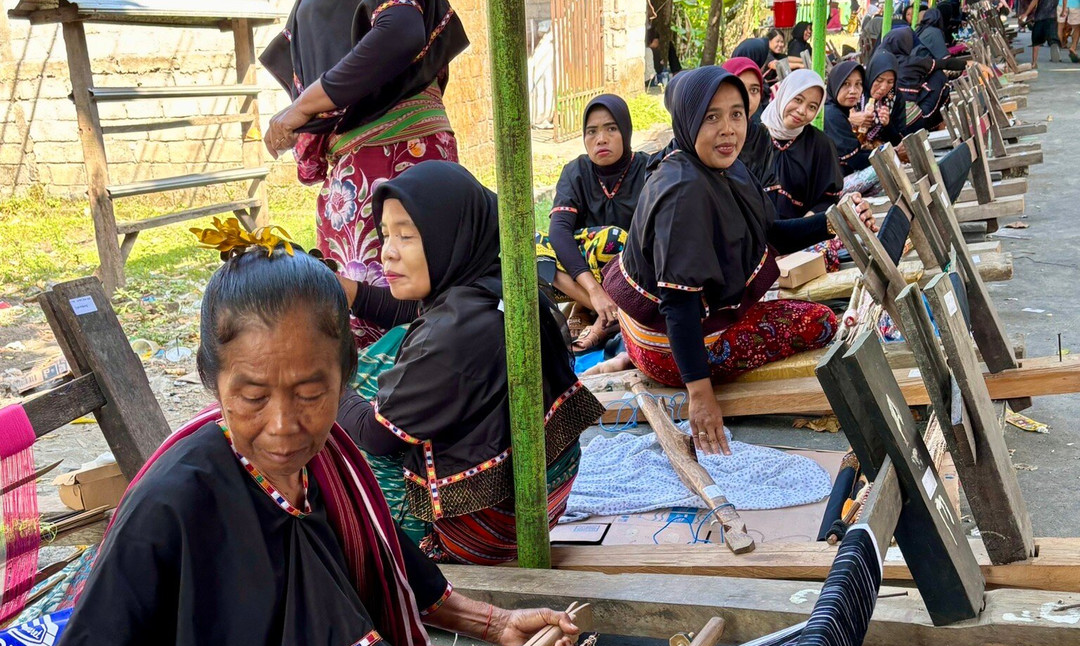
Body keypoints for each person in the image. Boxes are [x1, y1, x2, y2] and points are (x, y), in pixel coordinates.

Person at [27, 241, 581, 646]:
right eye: (252, 396)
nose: (283, 425)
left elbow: (387, 560)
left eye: (311, 393)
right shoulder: (174, 503)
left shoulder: (333, 461)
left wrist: (497, 622)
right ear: (211, 379)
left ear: (346, 377)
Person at [336, 161, 606, 565]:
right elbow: (413, 309)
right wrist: (351, 292)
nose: (388, 251)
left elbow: (377, 437)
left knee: (359, 402)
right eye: (386, 234)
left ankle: (402, 544)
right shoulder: (496, 282)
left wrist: (329, 386)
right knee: (396, 350)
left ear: (448, 234)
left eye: (406, 235)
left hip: (487, 528)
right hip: (540, 501)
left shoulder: (451, 335)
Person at [599, 66, 876, 456]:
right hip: (667, 349)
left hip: (646, 326)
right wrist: (700, 395)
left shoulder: (722, 167)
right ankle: (651, 361)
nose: (728, 129)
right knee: (819, 322)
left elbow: (770, 233)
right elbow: (678, 303)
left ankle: (631, 355)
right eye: (712, 117)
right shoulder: (682, 192)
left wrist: (835, 223)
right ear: (688, 118)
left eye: (736, 114)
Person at [259, 0, 468, 347]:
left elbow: (399, 31)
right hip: (366, 170)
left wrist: (305, 105)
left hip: (393, 163)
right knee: (368, 321)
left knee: (414, 318)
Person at [536, 94, 649, 353]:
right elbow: (559, 230)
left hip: (635, 274)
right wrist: (594, 290)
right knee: (529, 245)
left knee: (614, 238)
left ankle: (598, 318)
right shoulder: (576, 171)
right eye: (592, 131)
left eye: (611, 128)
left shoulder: (647, 168)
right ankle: (601, 309)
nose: (601, 139)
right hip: (585, 276)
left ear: (626, 131)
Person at [762, 70, 845, 219]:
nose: (802, 111)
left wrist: (802, 225)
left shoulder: (821, 145)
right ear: (785, 94)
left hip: (799, 229)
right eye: (798, 99)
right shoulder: (753, 137)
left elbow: (829, 199)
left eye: (812, 107)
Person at [824, 61, 881, 193]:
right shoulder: (831, 115)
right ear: (835, 84)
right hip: (829, 188)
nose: (853, 91)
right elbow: (854, 160)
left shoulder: (837, 111)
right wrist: (888, 154)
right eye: (846, 84)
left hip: (838, 176)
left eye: (858, 84)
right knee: (885, 166)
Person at [878, 27, 950, 132]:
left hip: (889, 123)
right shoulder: (910, 62)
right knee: (939, 77)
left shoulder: (878, 63)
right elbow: (945, 64)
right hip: (911, 123)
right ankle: (938, 124)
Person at [721, 57, 777, 187]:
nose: (747, 98)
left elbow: (769, 185)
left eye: (754, 90)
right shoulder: (706, 132)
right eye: (738, 87)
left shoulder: (760, 135)